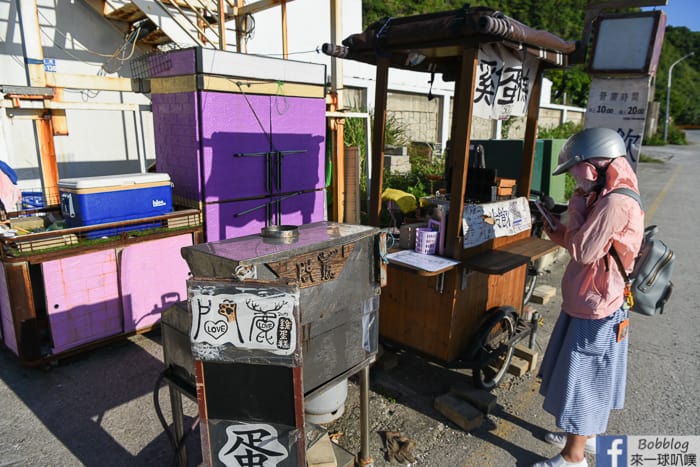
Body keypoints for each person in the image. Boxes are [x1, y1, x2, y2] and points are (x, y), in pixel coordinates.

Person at [532, 127, 645, 467]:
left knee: (583, 377)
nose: (575, 182)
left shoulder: (615, 202)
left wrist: (579, 202)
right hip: (595, 297)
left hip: (598, 304)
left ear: (597, 166)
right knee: (593, 372)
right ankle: (586, 435)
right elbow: (589, 245)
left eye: (578, 174)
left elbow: (583, 251)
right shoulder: (609, 195)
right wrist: (559, 230)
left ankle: (573, 456)